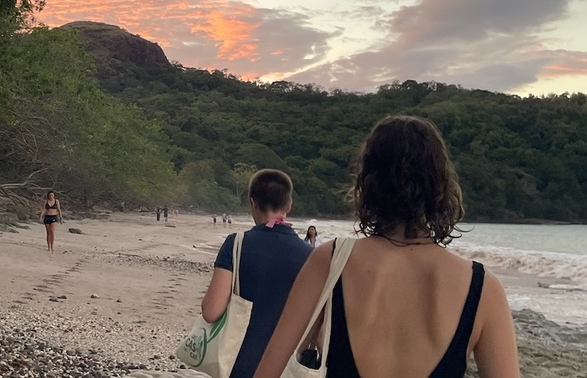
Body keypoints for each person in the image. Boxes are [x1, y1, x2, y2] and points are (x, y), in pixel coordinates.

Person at [254, 115, 520, 378]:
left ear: (367, 183)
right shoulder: (483, 288)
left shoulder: (332, 261)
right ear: (440, 186)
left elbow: (267, 371)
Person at [201, 169, 313, 378]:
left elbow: (211, 311)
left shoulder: (236, 244)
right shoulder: (312, 256)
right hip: (286, 367)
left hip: (236, 363)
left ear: (252, 203)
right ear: (289, 205)